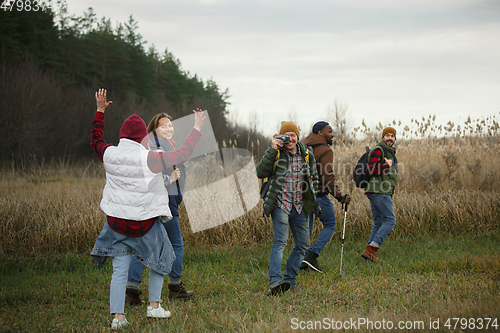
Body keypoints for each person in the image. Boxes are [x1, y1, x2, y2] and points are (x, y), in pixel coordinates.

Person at [90, 89, 205, 330]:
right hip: (144, 225)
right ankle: (154, 306)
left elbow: (96, 138)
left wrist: (100, 112)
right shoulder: (150, 158)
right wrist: (196, 128)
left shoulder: (109, 153)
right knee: (161, 259)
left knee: (119, 271)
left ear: (122, 135)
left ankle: (118, 318)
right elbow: (183, 152)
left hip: (117, 224)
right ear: (143, 135)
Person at [125, 113, 194, 305]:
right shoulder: (159, 148)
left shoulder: (153, 146)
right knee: (176, 244)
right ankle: (175, 286)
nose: (169, 129)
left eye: (170, 125)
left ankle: (132, 288)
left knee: (144, 245)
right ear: (154, 130)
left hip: (151, 204)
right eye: (164, 126)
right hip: (165, 204)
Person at [256, 121, 318, 295]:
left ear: (297, 136)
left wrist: (312, 198)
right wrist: (272, 149)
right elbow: (260, 172)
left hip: (299, 206)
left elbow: (314, 176)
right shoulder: (276, 153)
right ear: (280, 137)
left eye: (293, 135)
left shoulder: (306, 154)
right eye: (286, 135)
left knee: (303, 245)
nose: (290, 139)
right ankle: (275, 281)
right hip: (280, 205)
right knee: (280, 242)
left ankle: (290, 280)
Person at [301, 121, 351, 273]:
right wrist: (339, 196)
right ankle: (312, 254)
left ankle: (302, 261)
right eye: (329, 131)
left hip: (303, 194)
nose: (332, 134)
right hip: (319, 195)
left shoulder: (302, 146)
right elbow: (327, 176)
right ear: (320, 133)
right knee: (330, 224)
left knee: (307, 228)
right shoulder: (325, 150)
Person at [361, 126, 398, 261]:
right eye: (387, 135)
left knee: (378, 222)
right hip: (379, 190)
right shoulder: (379, 150)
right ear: (383, 137)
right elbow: (370, 169)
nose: (390, 138)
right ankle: (372, 248)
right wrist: (386, 165)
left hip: (377, 190)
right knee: (390, 220)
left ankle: (368, 253)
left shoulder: (389, 152)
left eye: (392, 136)